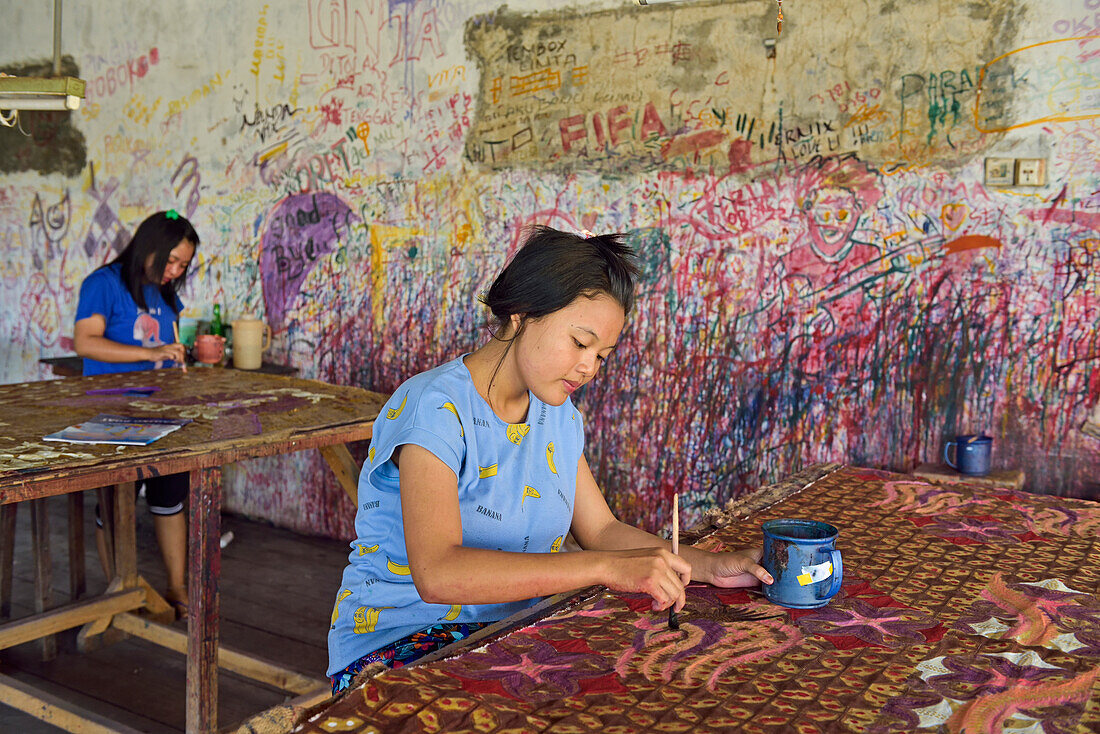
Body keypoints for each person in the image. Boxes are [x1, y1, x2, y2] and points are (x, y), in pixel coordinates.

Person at [327, 225, 773, 693]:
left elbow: (601, 531)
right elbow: (438, 573)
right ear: (523, 314)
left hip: (507, 634)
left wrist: (706, 565)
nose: (588, 367)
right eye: (580, 343)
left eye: (602, 356)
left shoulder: (557, 419)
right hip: (403, 644)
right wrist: (602, 568)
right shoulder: (434, 409)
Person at [72, 209, 198, 618]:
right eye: (172, 261)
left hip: (164, 411)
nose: (175, 270)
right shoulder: (103, 284)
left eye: (183, 264)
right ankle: (118, 594)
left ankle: (177, 588)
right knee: (114, 504)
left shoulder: (163, 292)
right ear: (150, 248)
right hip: (109, 414)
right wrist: (149, 354)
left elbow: (170, 343)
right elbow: (85, 343)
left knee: (169, 499)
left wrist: (189, 353)